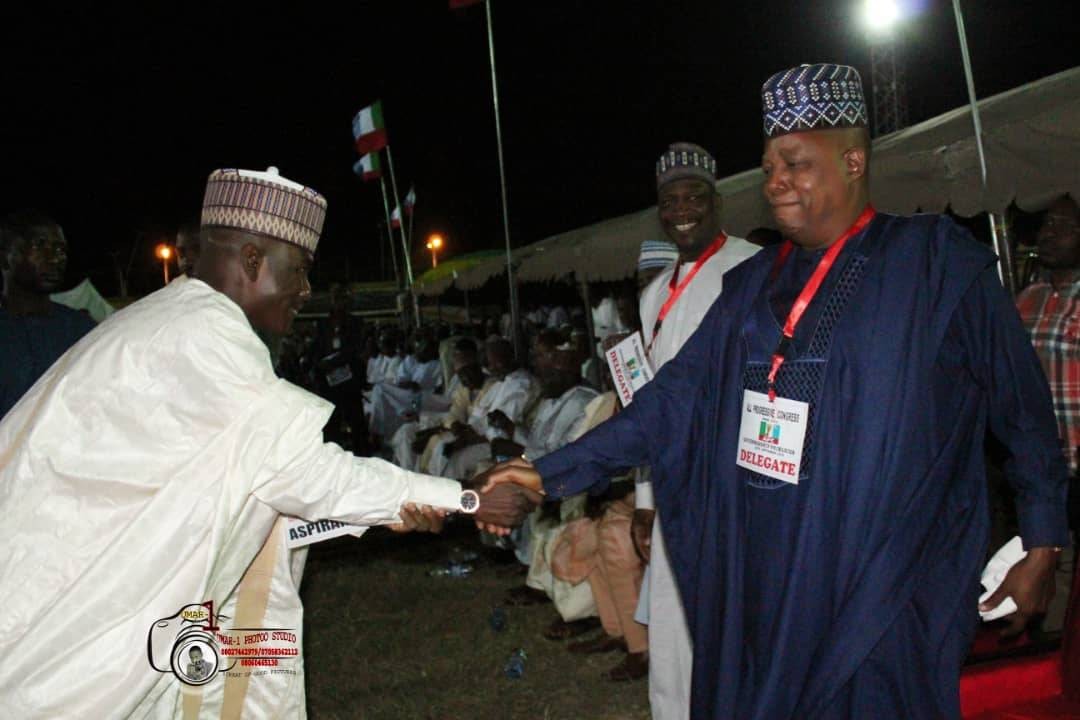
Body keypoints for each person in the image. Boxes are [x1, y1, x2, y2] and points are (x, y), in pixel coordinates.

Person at [480, 64, 1068, 719]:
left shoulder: (934, 265)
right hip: (768, 579)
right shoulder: (749, 289)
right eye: (767, 167)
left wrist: (1043, 542)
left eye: (794, 162)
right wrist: (544, 475)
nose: (775, 181)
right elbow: (669, 406)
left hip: (886, 580)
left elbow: (1022, 412)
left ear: (852, 160)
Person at [0, 166, 536, 718]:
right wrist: (467, 498)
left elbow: (243, 489)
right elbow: (306, 474)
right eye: (300, 270)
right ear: (253, 260)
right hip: (64, 619)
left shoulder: (173, 316)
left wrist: (383, 510)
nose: (306, 290)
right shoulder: (205, 337)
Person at [631, 142, 760, 719]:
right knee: (673, 627)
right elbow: (648, 400)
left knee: (740, 622)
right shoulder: (653, 294)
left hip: (738, 484)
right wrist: (643, 496)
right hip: (674, 483)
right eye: (670, 200)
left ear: (716, 201)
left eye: (694, 197)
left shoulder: (756, 266)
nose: (682, 209)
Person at [0, 209, 95, 419]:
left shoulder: (81, 331)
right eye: (39, 245)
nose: (55, 258)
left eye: (61, 249)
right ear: (6, 257)